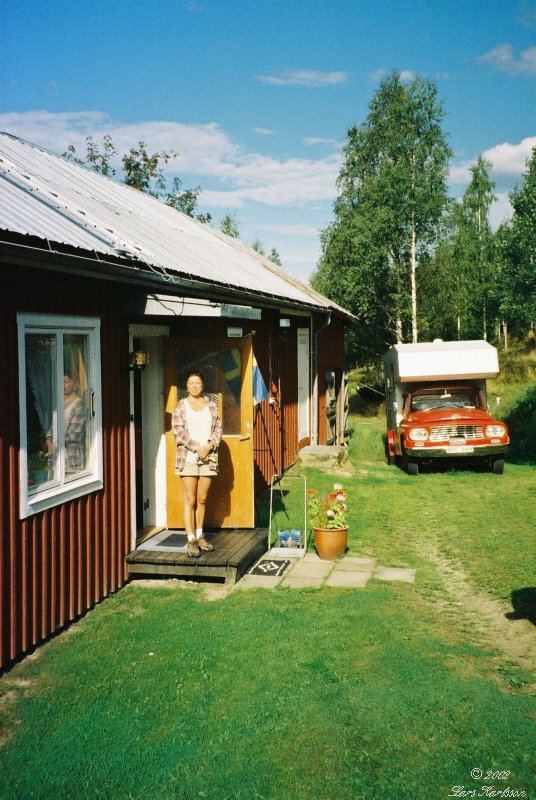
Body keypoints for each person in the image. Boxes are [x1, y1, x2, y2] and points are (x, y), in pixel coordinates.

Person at [172, 371, 222, 558]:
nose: (194, 386)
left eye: (198, 383)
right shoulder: (181, 406)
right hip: (189, 458)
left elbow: (218, 428)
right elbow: (178, 431)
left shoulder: (211, 405)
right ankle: (191, 540)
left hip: (209, 458)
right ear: (187, 385)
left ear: (202, 385)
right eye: (191, 383)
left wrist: (209, 446)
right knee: (190, 500)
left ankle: (201, 536)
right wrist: (196, 448)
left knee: (202, 499)